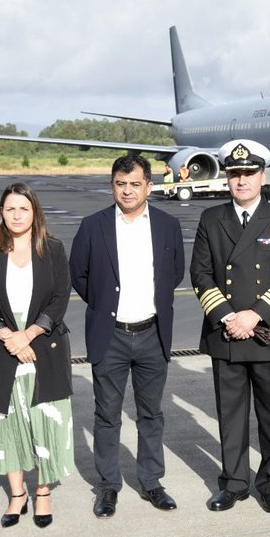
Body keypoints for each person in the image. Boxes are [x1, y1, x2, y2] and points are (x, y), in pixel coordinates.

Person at [190, 139, 270, 512]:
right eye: (235, 174)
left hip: (266, 333)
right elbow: (201, 274)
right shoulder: (212, 218)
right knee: (231, 416)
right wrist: (228, 317)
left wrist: (254, 316)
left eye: (248, 174)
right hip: (226, 333)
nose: (241, 181)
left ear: (263, 176)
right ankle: (234, 483)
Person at [70, 154, 186, 518]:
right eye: (121, 184)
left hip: (152, 333)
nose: (128, 191)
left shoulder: (167, 225)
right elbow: (80, 275)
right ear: (112, 186)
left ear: (149, 186)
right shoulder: (93, 226)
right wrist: (106, 306)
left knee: (151, 414)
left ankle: (152, 481)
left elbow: (175, 272)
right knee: (107, 416)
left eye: (135, 184)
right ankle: (108, 486)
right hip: (111, 335)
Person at [0, 182, 75, 529]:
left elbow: (60, 297)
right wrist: (8, 336)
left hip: (43, 346)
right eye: (10, 208)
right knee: (7, 422)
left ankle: (43, 491)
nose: (17, 215)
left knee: (44, 421)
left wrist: (29, 334)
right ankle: (18, 494)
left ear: (35, 213)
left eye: (23, 209)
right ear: (1, 212)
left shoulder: (52, 248)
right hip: (0, 348)